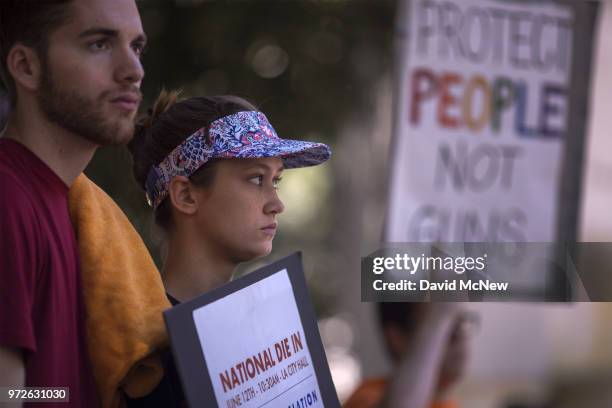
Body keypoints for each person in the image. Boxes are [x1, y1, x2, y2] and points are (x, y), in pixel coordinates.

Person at [125, 90, 331, 406]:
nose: (277, 204)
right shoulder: (144, 356)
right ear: (186, 196)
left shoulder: (269, 335)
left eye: (275, 180)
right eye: (255, 179)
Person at [0, 0, 146, 405]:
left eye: (137, 47)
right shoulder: (8, 200)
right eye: (99, 44)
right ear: (26, 66)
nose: (133, 70)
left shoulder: (76, 209)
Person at [344, 303, 476, 408]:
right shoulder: (366, 396)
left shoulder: (449, 404)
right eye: (443, 327)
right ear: (397, 338)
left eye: (461, 322)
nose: (461, 336)